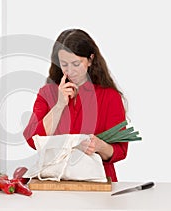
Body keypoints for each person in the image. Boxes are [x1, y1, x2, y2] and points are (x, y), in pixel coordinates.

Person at [23, 29, 128, 182]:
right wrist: (59, 105)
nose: (70, 71)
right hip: (56, 182)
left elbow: (121, 150)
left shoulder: (109, 96)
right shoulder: (48, 93)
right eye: (64, 64)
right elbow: (33, 140)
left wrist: (99, 146)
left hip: (97, 183)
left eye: (76, 63)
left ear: (90, 60)